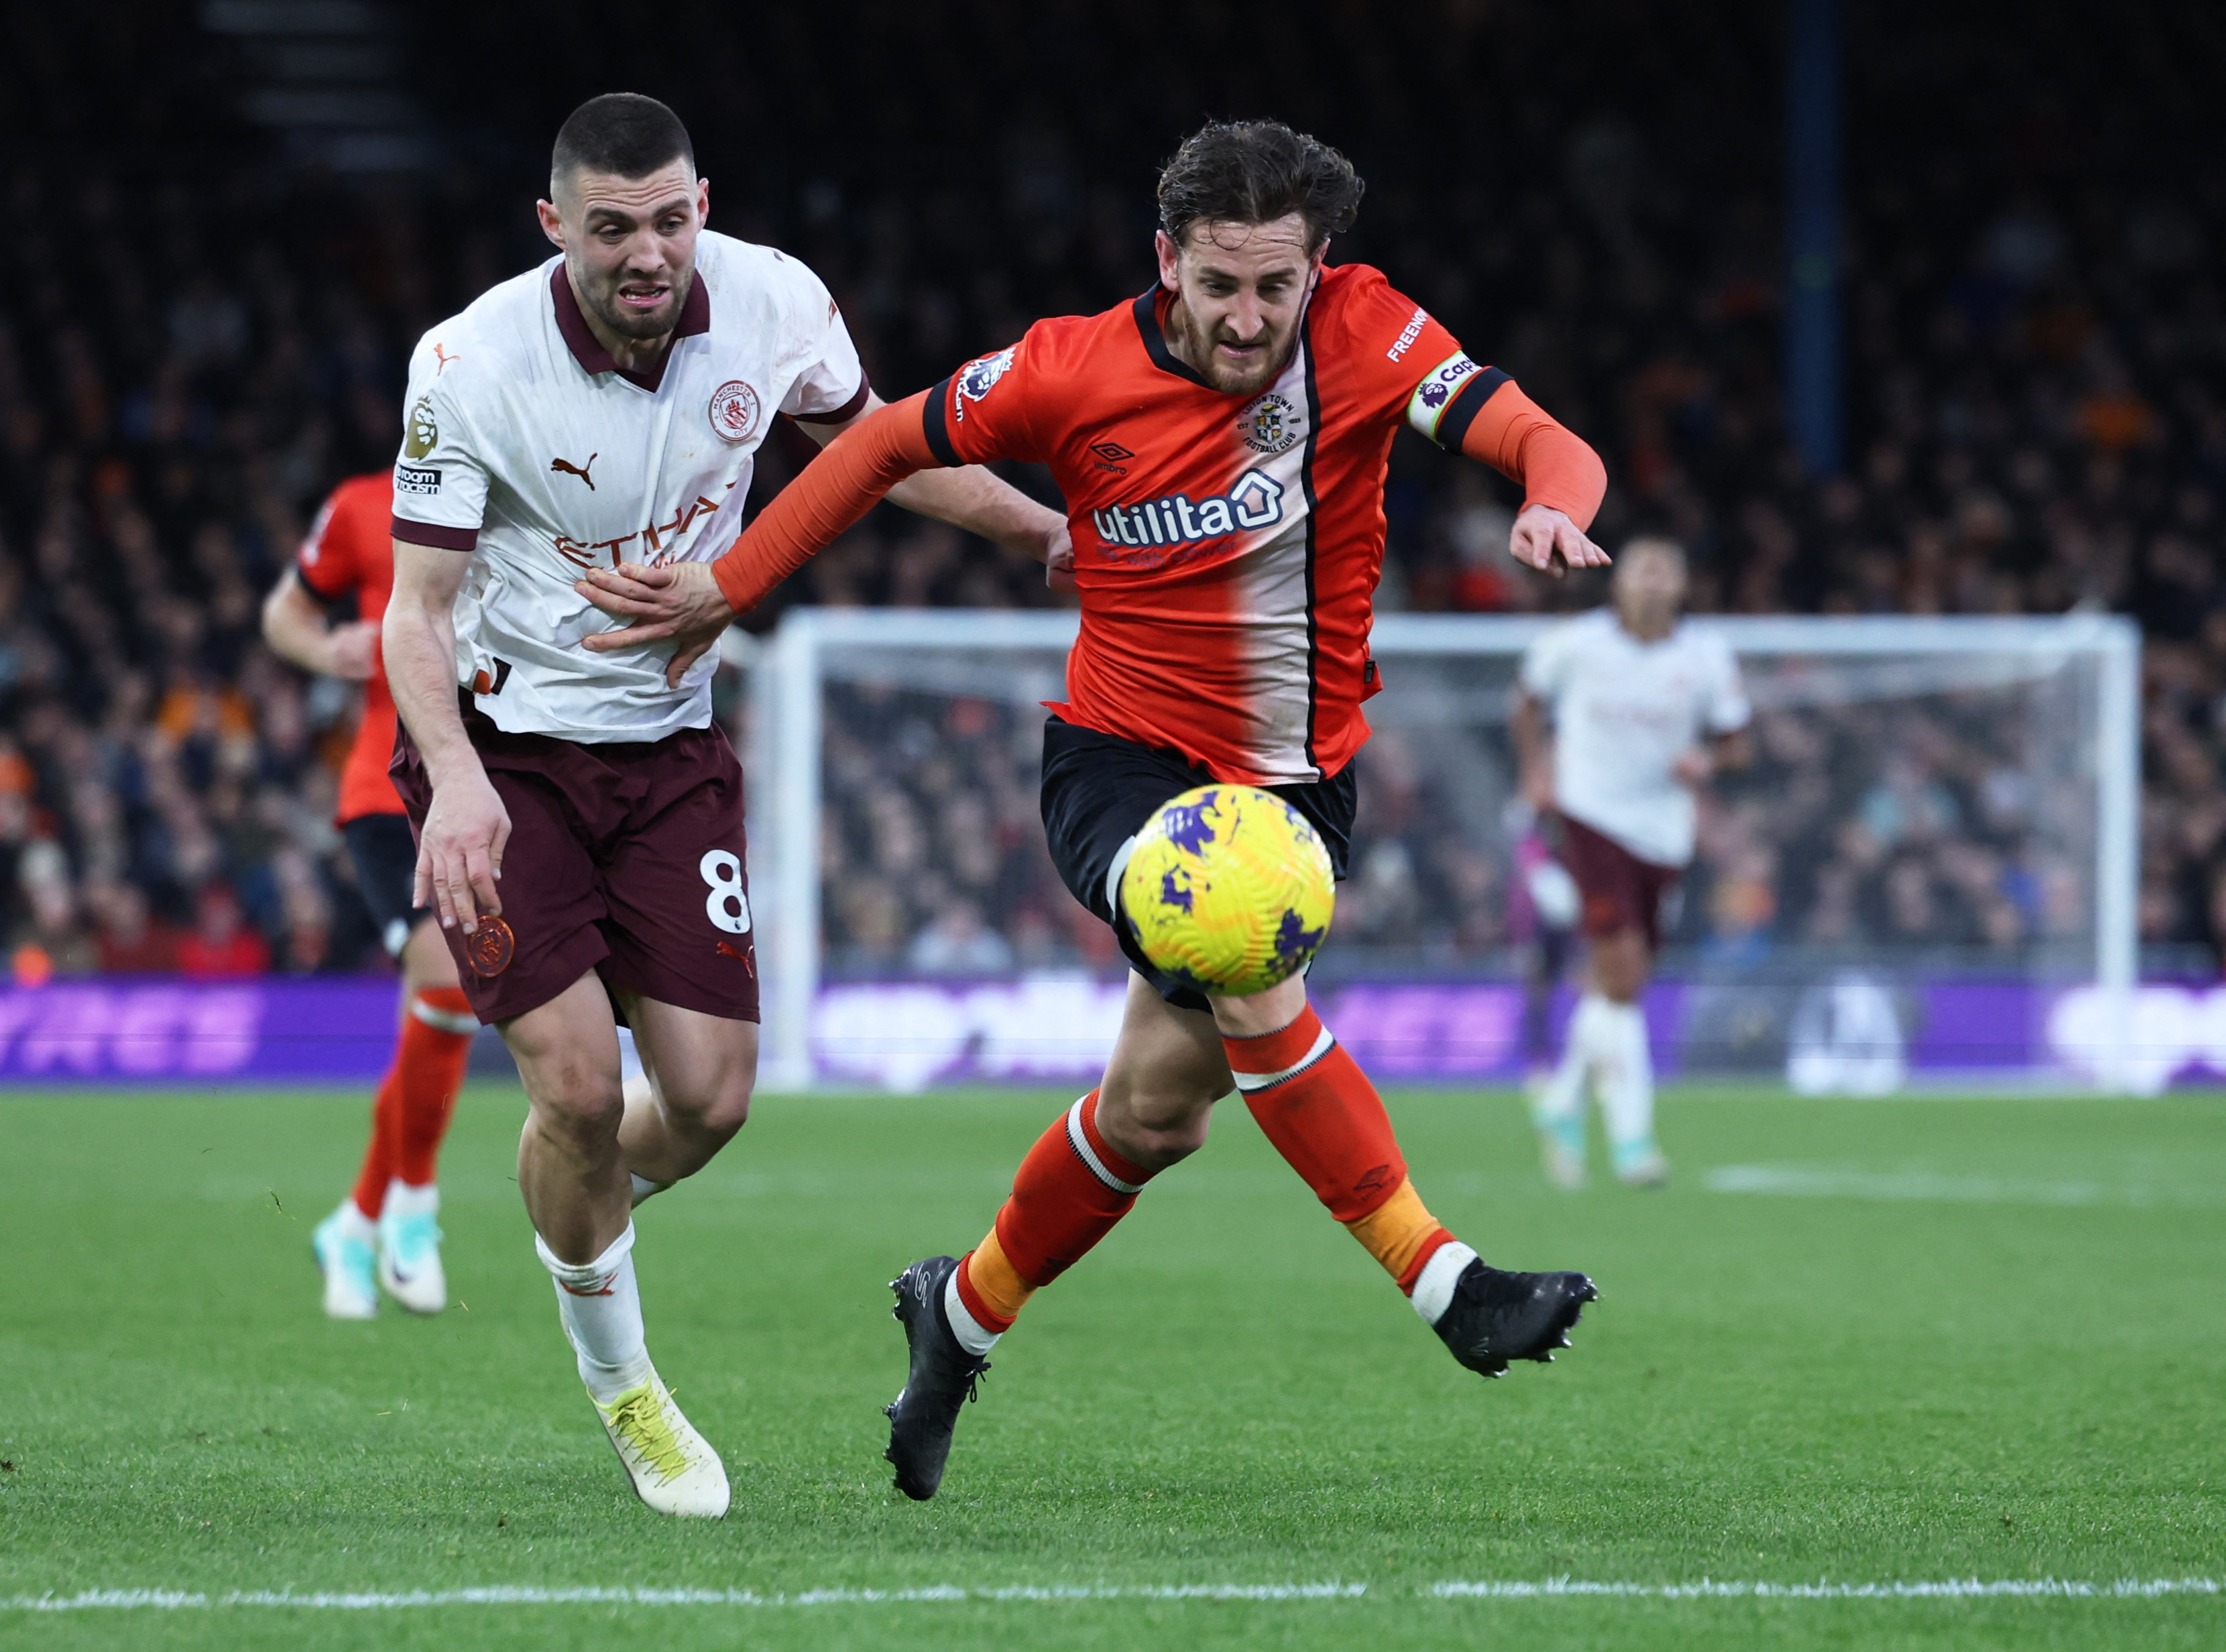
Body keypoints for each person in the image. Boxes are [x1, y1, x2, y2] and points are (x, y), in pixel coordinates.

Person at [579, 119, 1608, 1502]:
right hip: (1119, 767)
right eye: (1221, 284)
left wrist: (1551, 501)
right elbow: (882, 441)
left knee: (1150, 1114)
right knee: (1242, 930)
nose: (1248, 317)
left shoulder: (1368, 334)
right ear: (1166, 260)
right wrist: (730, 580)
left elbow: (1542, 437)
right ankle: (1446, 1280)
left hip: (1300, 776)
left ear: (1319, 274)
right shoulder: (1068, 368)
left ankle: (954, 1315)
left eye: (1276, 288)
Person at [382, 93, 1065, 1518]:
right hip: (511, 751)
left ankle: (573, 1221)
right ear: (553, 222)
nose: (649, 251)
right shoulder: (467, 362)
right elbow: (416, 609)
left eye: (672, 217)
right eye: (614, 225)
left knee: (708, 1098)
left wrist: (1042, 531)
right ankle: (627, 1381)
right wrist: (452, 784)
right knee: (574, 1085)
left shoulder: (773, 301)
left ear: (706, 201)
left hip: (671, 746)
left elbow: (879, 448)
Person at [263, 472, 479, 1319]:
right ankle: (412, 1210)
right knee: (448, 987)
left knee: (434, 1025)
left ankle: (353, 1223)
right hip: (386, 794)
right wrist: (326, 650)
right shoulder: (361, 504)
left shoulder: (524, 484)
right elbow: (284, 611)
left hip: (494, 788)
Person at [1510, 536, 1751, 1188]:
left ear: (1680, 585)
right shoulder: (1577, 644)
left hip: (1662, 832)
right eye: (1640, 570)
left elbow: (1734, 742)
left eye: (1663, 570)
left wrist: (1706, 761)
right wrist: (1536, 771)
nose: (1650, 582)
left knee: (1621, 981)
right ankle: (1632, 1141)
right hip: (1588, 818)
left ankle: (1561, 1104)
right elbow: (1525, 703)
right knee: (1621, 974)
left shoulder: (1704, 657)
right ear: (1617, 586)